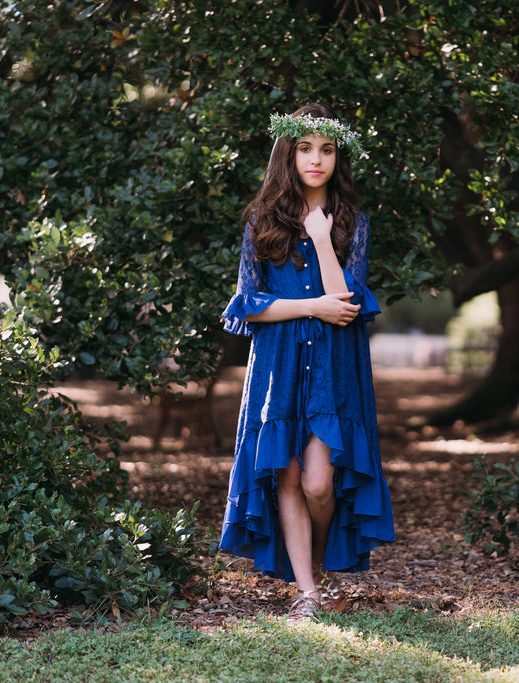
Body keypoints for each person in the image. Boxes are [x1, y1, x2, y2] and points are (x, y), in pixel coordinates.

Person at [218, 103, 394, 624]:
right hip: (278, 366)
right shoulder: (260, 223)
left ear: (339, 157)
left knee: (321, 482)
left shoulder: (353, 224)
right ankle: (308, 591)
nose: (316, 159)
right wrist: (310, 306)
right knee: (288, 478)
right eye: (305, 148)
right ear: (287, 154)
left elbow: (344, 305)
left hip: (334, 370)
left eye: (327, 149)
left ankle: (312, 567)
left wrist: (321, 238)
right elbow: (250, 303)